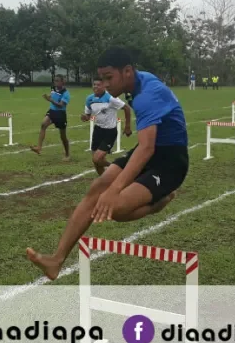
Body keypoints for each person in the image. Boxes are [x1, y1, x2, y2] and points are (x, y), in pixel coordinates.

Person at [27, 47, 189, 280]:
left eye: (109, 78)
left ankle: (160, 200)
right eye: (101, 78)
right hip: (149, 149)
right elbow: (144, 148)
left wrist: (115, 190)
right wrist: (109, 186)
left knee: (117, 209)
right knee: (96, 189)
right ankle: (56, 259)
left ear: (127, 71)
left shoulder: (147, 95)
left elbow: (147, 148)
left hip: (170, 160)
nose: (104, 84)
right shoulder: (136, 82)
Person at [83, 78, 132, 175]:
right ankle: (103, 180)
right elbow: (88, 116)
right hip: (97, 130)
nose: (96, 86)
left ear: (104, 86)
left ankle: (118, 168)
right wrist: (85, 117)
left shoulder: (111, 98)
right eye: (94, 84)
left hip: (109, 132)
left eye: (98, 85)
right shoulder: (90, 99)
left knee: (97, 159)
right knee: (96, 161)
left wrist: (127, 126)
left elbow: (126, 108)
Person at [30, 75, 70, 160]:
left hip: (60, 114)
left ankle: (67, 154)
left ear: (63, 82)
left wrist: (50, 100)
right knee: (43, 124)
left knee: (63, 136)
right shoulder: (53, 88)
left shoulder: (65, 93)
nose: (55, 82)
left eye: (57, 81)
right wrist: (48, 96)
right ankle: (39, 148)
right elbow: (52, 95)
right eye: (55, 81)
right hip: (52, 111)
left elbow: (61, 105)